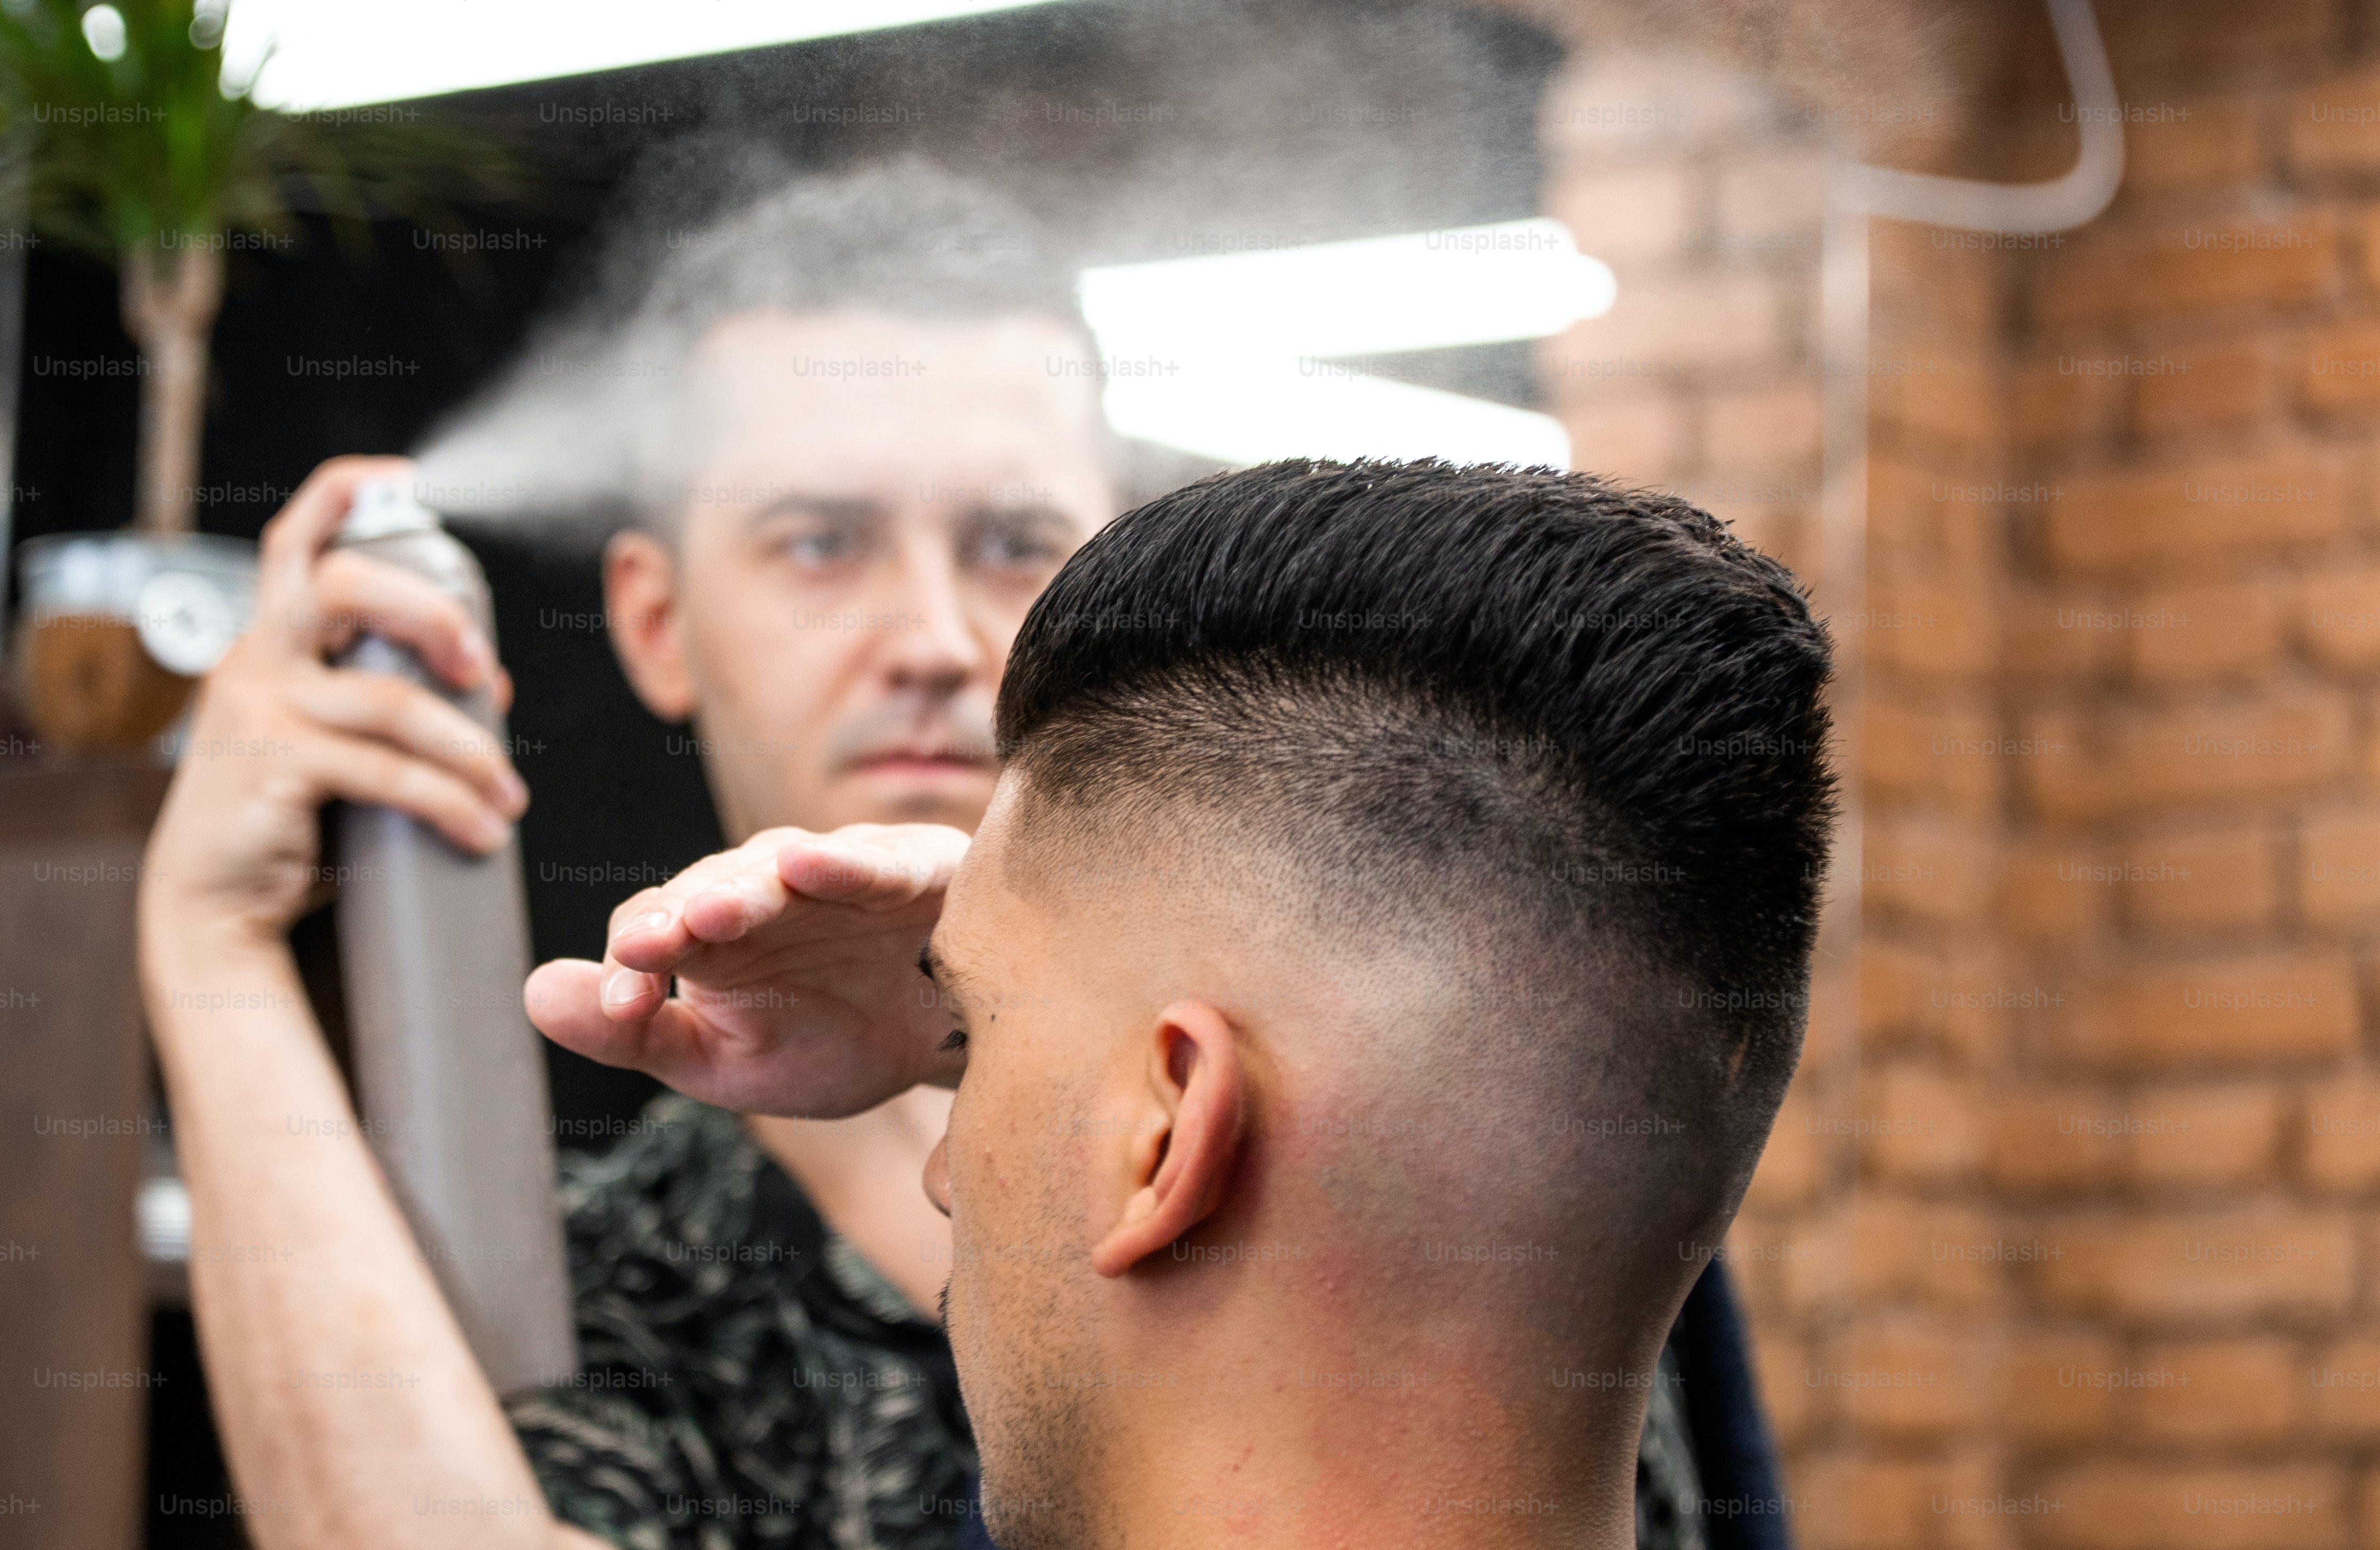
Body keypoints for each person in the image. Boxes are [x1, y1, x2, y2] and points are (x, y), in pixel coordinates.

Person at [136, 164, 1731, 1549]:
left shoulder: (1434, 1103)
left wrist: (999, 1017)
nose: (930, 637)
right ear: (648, 618)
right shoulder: (609, 1290)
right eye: (820, 543)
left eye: (1010, 545)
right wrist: (205, 939)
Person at [532, 460, 1836, 1549]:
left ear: (1163, 1133)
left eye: (972, 1046)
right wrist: (1043, 980)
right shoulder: (1607, 1154)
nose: (943, 1166)